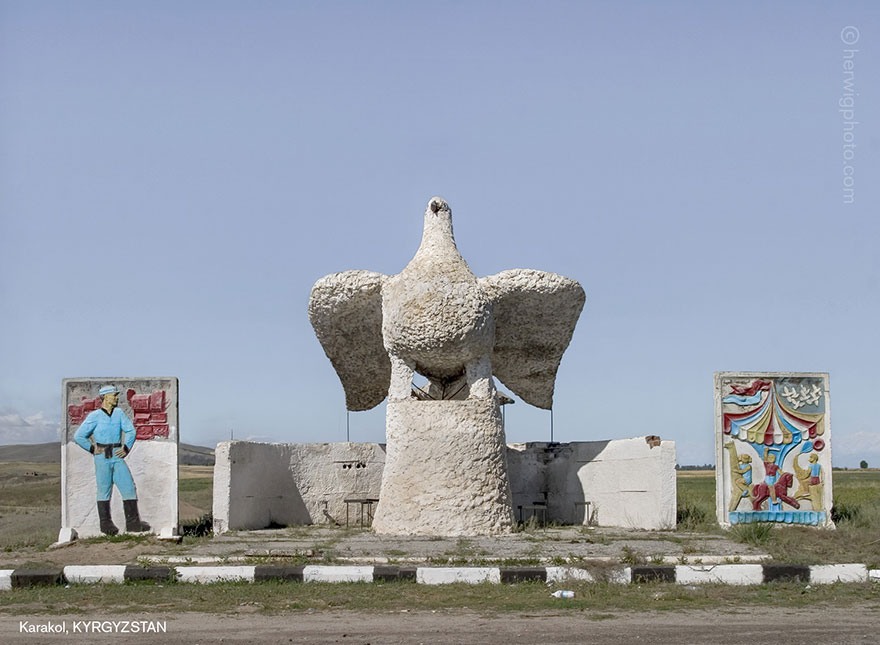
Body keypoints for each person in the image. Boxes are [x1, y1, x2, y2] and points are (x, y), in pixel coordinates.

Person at [73, 385, 150, 535]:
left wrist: (126, 448)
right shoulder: (94, 416)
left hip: (116, 453)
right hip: (102, 455)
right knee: (104, 489)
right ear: (105, 397)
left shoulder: (119, 414)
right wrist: (92, 448)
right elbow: (79, 436)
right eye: (114, 395)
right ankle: (106, 524)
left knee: (128, 486)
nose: (116, 398)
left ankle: (133, 523)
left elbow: (130, 431)